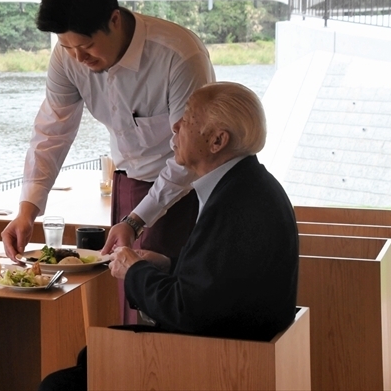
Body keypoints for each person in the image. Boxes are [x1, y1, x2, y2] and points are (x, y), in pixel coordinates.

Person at [38, 82, 299, 391]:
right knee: (89, 356)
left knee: (58, 385)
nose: (175, 126)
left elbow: (188, 309)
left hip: (219, 361)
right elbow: (221, 283)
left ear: (218, 140)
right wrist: (167, 264)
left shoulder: (236, 205)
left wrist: (134, 270)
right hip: (232, 344)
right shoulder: (248, 187)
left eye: (187, 119)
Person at [1, 0, 215, 320]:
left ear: (114, 20)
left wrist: (135, 221)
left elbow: (192, 155)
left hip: (186, 191)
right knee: (130, 303)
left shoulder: (178, 55)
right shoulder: (67, 57)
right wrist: (27, 210)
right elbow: (52, 132)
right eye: (67, 47)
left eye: (85, 46)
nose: (78, 58)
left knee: (174, 308)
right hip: (128, 183)